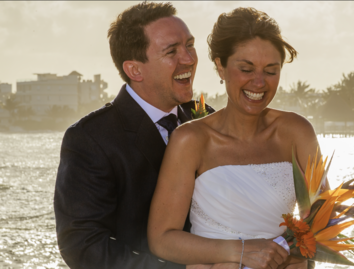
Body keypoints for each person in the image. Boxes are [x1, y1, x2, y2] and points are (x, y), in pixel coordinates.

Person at [147, 7, 319, 269]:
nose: (259, 82)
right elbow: (162, 239)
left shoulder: (297, 132)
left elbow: (325, 221)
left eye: (271, 71)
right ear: (220, 67)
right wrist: (239, 252)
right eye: (246, 69)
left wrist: (296, 260)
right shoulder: (191, 140)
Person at [53, 2, 216, 268]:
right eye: (171, 51)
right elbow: (83, 245)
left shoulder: (207, 117)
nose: (188, 58)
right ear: (135, 70)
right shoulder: (90, 138)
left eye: (189, 44)